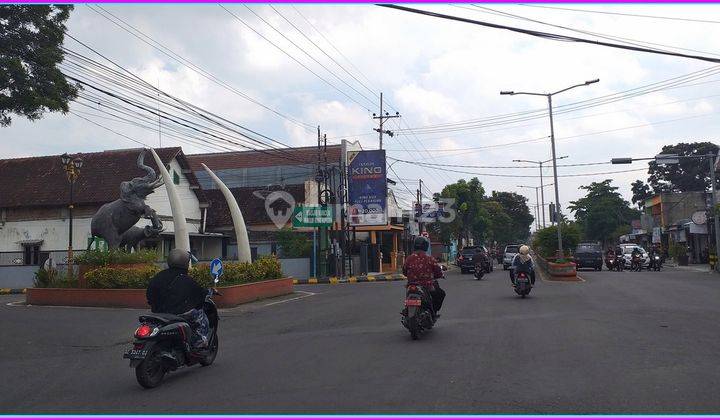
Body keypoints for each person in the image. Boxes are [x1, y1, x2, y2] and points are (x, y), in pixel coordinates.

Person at [146, 249, 209, 349]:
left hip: (158, 314)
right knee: (201, 315)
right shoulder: (186, 279)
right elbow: (199, 297)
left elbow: (149, 295)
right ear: (184, 263)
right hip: (178, 314)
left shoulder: (158, 276)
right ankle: (199, 341)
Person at [403, 236, 446, 317]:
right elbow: (438, 271)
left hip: (411, 285)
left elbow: (404, 271)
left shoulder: (409, 258)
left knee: (408, 294)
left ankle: (407, 310)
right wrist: (440, 275)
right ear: (425, 246)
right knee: (441, 294)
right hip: (427, 285)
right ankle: (433, 312)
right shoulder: (429, 258)